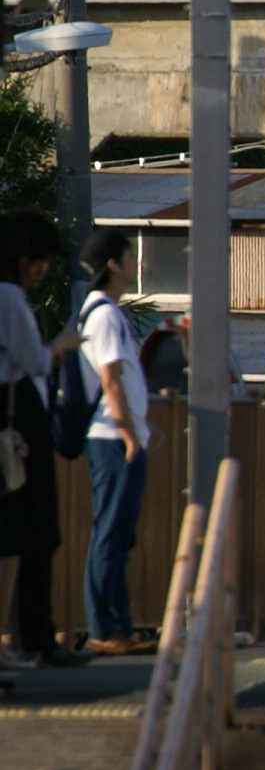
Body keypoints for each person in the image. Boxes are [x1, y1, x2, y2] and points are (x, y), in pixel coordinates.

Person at [0, 213, 79, 664]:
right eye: (37, 260)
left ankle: (27, 634)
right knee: (28, 522)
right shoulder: (10, 298)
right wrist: (63, 345)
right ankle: (34, 634)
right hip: (15, 412)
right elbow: (34, 361)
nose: (40, 270)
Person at [75, 230, 151, 657]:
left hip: (117, 435)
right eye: (129, 255)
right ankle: (104, 628)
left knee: (120, 533)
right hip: (110, 435)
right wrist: (127, 433)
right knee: (109, 532)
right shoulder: (102, 314)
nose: (134, 263)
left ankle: (118, 624)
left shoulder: (109, 312)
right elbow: (110, 379)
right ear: (112, 265)